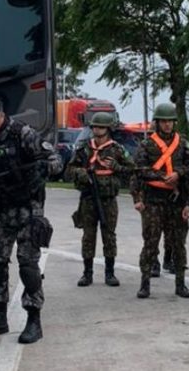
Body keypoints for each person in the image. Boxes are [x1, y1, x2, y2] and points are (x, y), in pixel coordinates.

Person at [0, 96, 62, 345]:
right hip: (1, 210)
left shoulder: (23, 134)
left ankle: (33, 320)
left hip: (29, 209)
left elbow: (56, 161)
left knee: (28, 266)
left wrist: (43, 169)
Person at [133, 103, 189, 299]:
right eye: (163, 121)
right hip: (153, 200)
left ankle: (180, 283)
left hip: (176, 200)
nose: (167, 125)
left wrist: (179, 174)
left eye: (170, 121)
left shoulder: (183, 144)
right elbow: (139, 170)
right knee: (150, 242)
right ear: (157, 123)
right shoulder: (147, 145)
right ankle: (145, 283)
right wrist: (160, 178)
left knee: (178, 243)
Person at [66, 112, 134, 287]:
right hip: (88, 198)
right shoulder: (84, 149)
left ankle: (109, 273)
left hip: (108, 199)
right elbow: (70, 168)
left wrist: (116, 167)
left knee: (109, 235)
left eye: (101, 127)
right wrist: (81, 173)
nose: (97, 129)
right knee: (88, 236)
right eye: (95, 127)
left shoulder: (117, 149)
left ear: (108, 129)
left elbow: (132, 169)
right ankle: (87, 273)